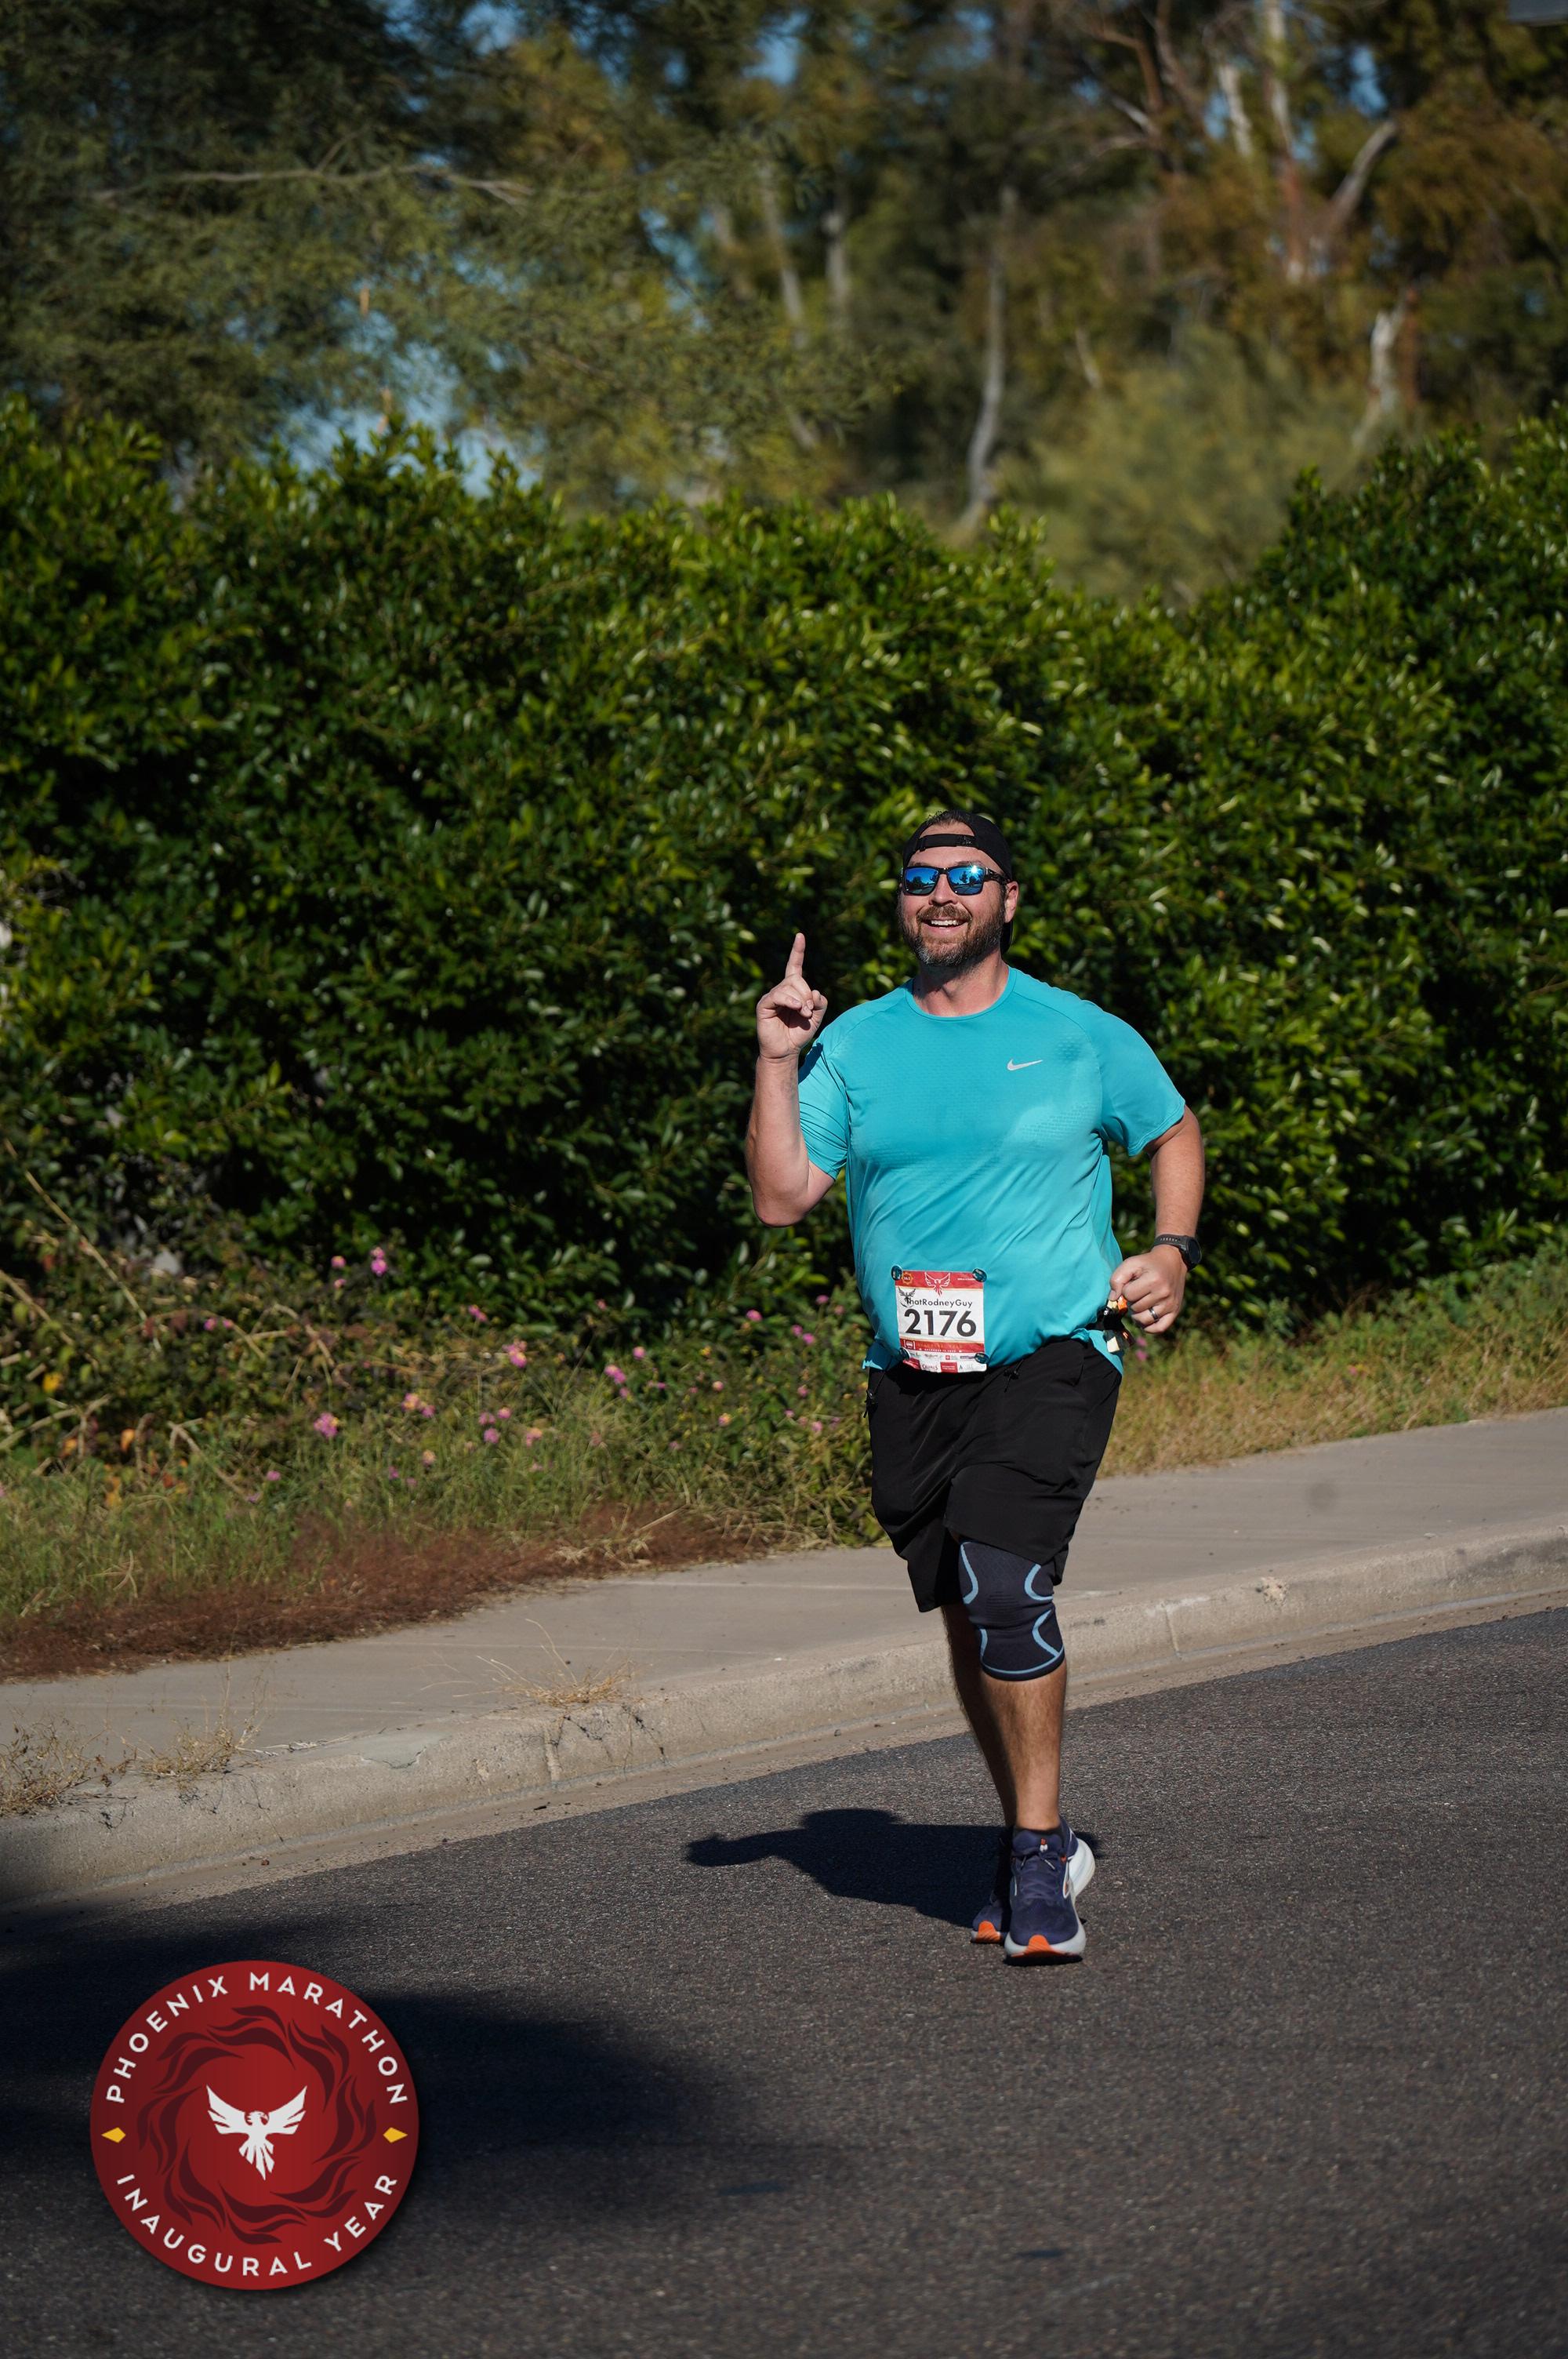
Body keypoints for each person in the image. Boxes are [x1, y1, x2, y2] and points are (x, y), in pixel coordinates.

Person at [745, 810, 1205, 1962]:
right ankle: (1031, 1832)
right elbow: (783, 1197)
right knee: (966, 1598)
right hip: (914, 1371)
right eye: (920, 877)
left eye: (966, 875)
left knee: (1005, 1584)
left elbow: (1173, 1131)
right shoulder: (855, 1044)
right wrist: (777, 1058)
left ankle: (1039, 1862)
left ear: (1008, 899)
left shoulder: (1078, 1033)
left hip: (1057, 1349)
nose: (941, 893)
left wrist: (1171, 1251)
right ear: (901, 901)